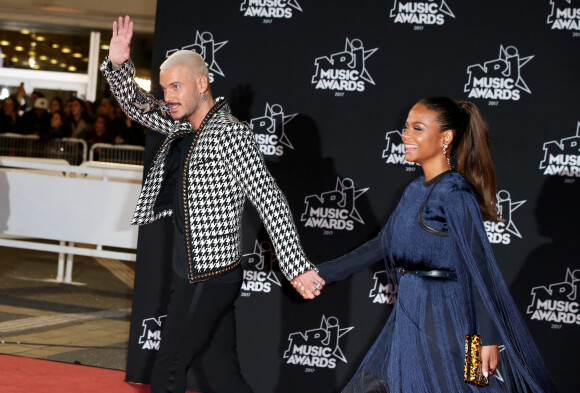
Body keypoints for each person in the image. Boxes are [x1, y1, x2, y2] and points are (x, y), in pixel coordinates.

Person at [101, 15, 325, 393]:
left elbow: (269, 199)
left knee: (169, 367)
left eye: (176, 87)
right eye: (164, 88)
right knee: (222, 373)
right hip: (189, 272)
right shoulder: (181, 124)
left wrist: (296, 266)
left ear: (202, 84)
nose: (168, 96)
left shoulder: (231, 134)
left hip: (208, 276)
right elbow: (137, 106)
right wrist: (121, 66)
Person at [298, 97, 558, 392]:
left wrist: (487, 340)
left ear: (446, 137)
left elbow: (479, 269)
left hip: (446, 318)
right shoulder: (413, 190)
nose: (405, 136)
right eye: (406, 128)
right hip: (411, 311)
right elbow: (381, 245)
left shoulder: (455, 193)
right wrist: (320, 273)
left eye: (417, 128)